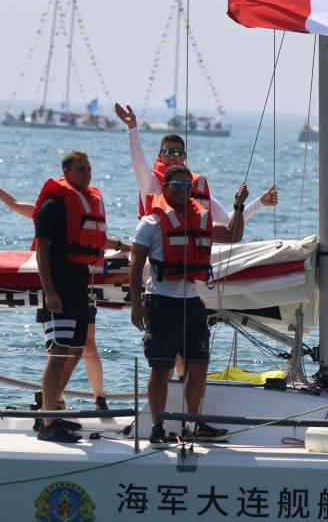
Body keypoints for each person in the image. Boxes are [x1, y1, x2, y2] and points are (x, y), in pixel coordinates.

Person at [0, 159, 128, 441]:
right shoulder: (52, 206)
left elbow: (96, 239)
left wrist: (128, 247)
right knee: (58, 354)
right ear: (66, 172)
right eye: (81, 169)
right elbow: (40, 249)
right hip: (59, 288)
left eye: (89, 169)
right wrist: (50, 291)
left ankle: (50, 415)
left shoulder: (84, 204)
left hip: (80, 287)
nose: (87, 174)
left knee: (76, 351)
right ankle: (49, 421)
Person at [130, 164, 248, 446]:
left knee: (199, 364)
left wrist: (239, 206)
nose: (183, 192)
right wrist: (137, 304)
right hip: (161, 302)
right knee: (161, 367)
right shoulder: (151, 222)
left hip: (192, 302)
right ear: (166, 188)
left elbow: (233, 235)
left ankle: (192, 424)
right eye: (177, 187)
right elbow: (135, 267)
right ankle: (158, 426)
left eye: (187, 187)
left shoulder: (201, 219)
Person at [114, 103, 277, 222]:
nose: (172, 156)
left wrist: (260, 203)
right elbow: (138, 163)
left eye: (177, 152)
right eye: (167, 152)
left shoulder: (194, 186)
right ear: (159, 156)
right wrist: (132, 128)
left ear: (184, 157)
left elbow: (227, 222)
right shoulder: (151, 182)